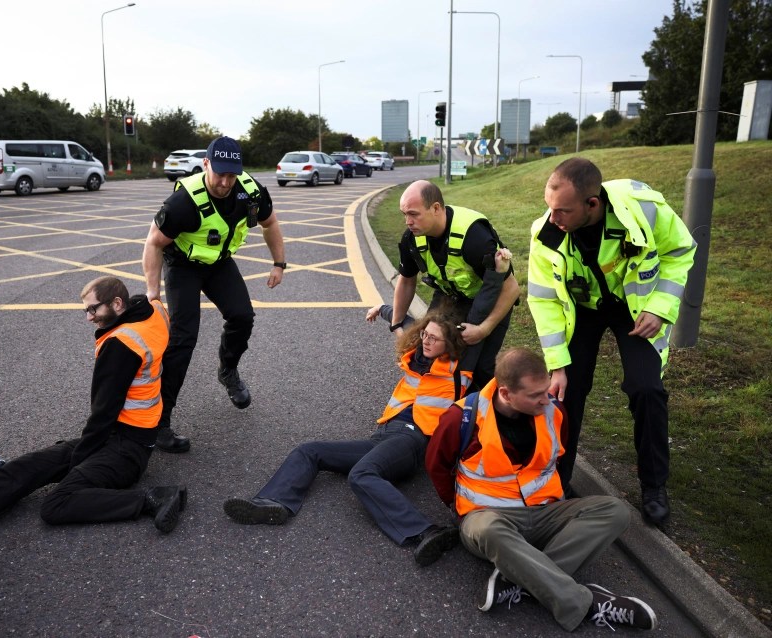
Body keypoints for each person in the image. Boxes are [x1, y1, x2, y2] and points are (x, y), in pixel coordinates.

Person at [0, 276, 187, 566]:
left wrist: (79, 460)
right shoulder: (151, 311)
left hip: (127, 449)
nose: (89, 317)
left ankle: (152, 498)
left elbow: (102, 415)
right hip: (120, 435)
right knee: (25, 468)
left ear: (119, 305)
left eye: (94, 309)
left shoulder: (120, 345)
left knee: (56, 504)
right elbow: (171, 355)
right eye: (87, 309)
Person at [425, 347, 658, 632]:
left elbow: (556, 461)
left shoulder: (555, 411)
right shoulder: (461, 418)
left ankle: (518, 580)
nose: (545, 399)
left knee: (615, 510)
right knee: (488, 529)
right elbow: (436, 465)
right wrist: (457, 507)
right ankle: (584, 603)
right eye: (535, 395)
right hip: (488, 519)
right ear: (507, 394)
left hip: (544, 513)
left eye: (545, 390)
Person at [223, 309, 469, 567]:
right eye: (425, 335)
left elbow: (483, 341)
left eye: (434, 338)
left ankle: (426, 531)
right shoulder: (414, 357)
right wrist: (382, 309)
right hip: (383, 436)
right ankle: (273, 502)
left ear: (449, 345)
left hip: (413, 441)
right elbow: (403, 319)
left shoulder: (456, 370)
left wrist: (483, 323)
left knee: (362, 474)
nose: (426, 341)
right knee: (310, 450)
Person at [527, 157, 696, 525]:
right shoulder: (547, 233)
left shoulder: (645, 211)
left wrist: (660, 307)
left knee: (647, 389)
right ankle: (558, 479)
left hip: (634, 308)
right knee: (564, 391)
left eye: (563, 211)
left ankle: (653, 486)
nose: (553, 218)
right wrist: (557, 363)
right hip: (582, 309)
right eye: (550, 207)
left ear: (593, 203)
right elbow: (542, 298)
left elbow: (681, 250)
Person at [143, 136, 286, 453]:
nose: (224, 182)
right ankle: (159, 423)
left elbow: (269, 222)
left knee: (243, 317)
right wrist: (153, 292)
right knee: (183, 338)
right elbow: (154, 242)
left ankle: (228, 370)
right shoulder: (184, 203)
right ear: (206, 164)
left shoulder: (249, 192)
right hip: (182, 265)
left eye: (231, 175)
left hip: (219, 263)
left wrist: (278, 263)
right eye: (219, 173)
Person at [389, 180, 520, 390]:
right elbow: (406, 279)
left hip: (488, 300)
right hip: (448, 296)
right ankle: (431, 405)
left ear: (436, 208)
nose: (408, 221)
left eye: (413, 214)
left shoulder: (474, 237)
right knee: (429, 353)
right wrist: (396, 323)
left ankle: (479, 415)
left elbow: (511, 288)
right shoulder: (412, 238)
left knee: (481, 368)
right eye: (404, 214)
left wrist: (483, 329)